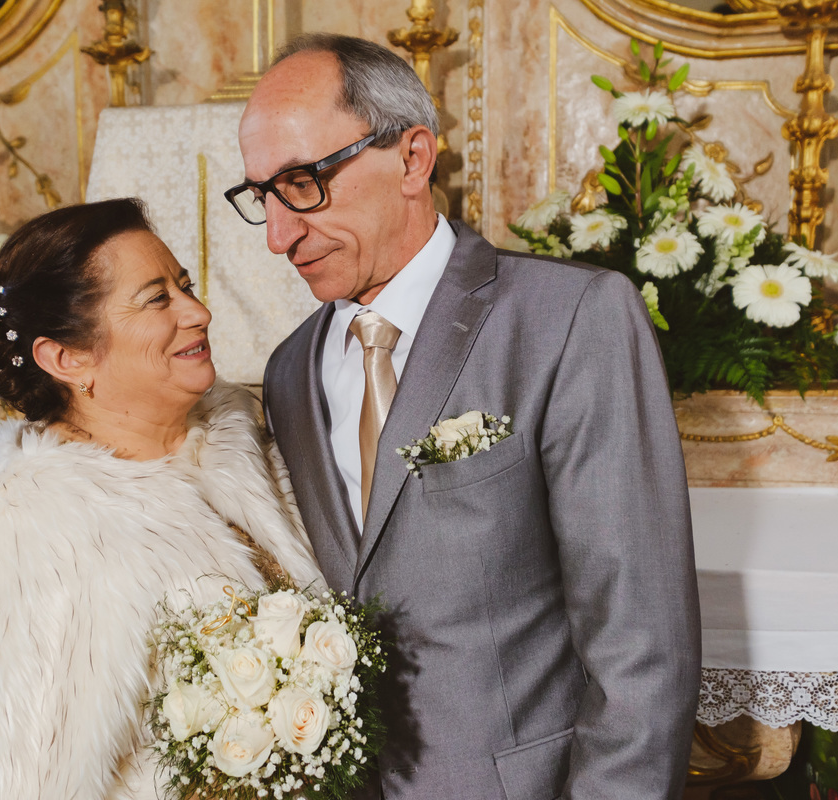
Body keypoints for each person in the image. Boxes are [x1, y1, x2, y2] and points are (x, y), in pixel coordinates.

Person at [229, 33, 702, 799]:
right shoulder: (289, 369)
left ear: (413, 158)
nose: (280, 236)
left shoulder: (569, 317)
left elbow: (641, 644)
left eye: (303, 183)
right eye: (260, 197)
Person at [0, 198, 324, 799]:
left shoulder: (243, 441)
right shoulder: (35, 536)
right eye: (157, 298)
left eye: (184, 286)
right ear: (66, 357)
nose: (199, 311)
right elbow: (12, 781)